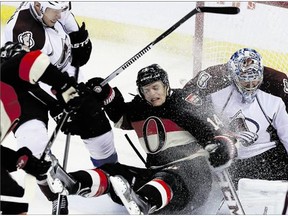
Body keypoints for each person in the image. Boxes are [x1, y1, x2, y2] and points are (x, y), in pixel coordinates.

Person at [54, 63, 237, 214]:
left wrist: (222, 146)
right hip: (156, 176)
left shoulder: (183, 102)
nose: (151, 94)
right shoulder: (140, 107)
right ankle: (72, 183)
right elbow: (122, 118)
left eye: (155, 87)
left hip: (193, 180)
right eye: (146, 90)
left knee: (169, 176)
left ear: (166, 85)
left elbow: (217, 131)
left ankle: (145, 202)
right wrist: (105, 94)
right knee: (114, 172)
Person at [4, 2, 118, 214]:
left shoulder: (58, 11)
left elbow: (72, 57)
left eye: (63, 9)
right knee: (34, 148)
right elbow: (33, 75)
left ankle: (114, 175)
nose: (60, 14)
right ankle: (54, 194)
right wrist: (58, 103)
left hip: (62, 81)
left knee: (96, 125)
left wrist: (80, 43)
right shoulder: (24, 31)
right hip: (24, 90)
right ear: (38, 5)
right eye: (54, 10)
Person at [0, 42, 85, 214]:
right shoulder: (6, 75)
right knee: (14, 199)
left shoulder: (11, 96)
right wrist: (65, 87)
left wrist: (19, 159)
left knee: (15, 200)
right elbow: (30, 60)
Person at [207, 48, 288, 188]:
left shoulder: (273, 99)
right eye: (245, 82)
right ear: (234, 77)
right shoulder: (217, 96)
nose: (250, 86)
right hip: (234, 159)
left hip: (266, 156)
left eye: (255, 81)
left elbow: (286, 133)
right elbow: (204, 123)